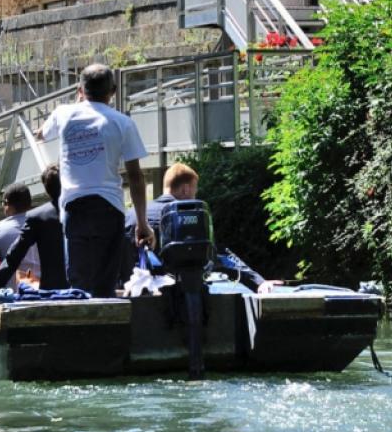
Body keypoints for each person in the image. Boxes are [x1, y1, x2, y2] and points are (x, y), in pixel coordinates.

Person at [37, 63, 154, 297]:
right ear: (113, 91)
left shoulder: (63, 113)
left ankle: (79, 323)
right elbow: (136, 177)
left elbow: (41, 134)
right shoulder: (123, 122)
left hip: (74, 207)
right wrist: (142, 223)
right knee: (105, 280)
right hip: (109, 208)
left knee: (78, 279)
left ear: (80, 90)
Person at [124, 162, 281, 294]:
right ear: (185, 189)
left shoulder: (130, 215)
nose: (195, 195)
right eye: (195, 190)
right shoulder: (189, 215)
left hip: (128, 293)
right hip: (175, 301)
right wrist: (258, 282)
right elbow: (219, 256)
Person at [0, 165, 68, 293]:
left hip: (51, 291)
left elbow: (14, 257)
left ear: (46, 189)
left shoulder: (38, 217)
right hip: (85, 288)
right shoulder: (84, 214)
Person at [0, 182, 41, 289]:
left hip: (12, 296)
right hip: (46, 293)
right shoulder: (46, 226)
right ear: (29, 203)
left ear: (7, 204)